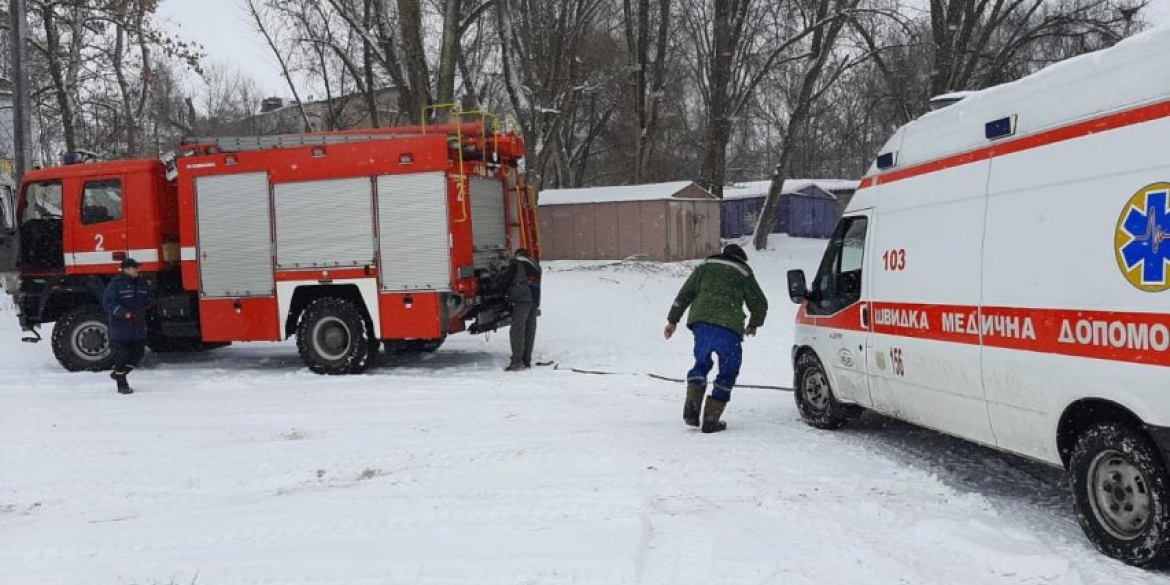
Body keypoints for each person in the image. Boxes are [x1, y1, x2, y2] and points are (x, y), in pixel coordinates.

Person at [665, 244, 768, 433]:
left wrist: (672, 320)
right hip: (729, 327)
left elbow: (684, 294)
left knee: (701, 363)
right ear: (741, 259)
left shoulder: (705, 267)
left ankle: (692, 408)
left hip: (701, 323)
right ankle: (711, 419)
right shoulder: (743, 272)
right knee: (728, 370)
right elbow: (760, 303)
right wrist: (754, 324)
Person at [103, 258, 152, 394]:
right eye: (134, 267)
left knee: (137, 354)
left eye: (137, 267)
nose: (137, 270)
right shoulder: (116, 284)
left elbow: (148, 299)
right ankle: (122, 384)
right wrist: (124, 313)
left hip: (138, 327)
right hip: (121, 327)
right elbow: (108, 303)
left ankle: (119, 373)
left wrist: (147, 305)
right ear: (126, 269)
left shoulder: (142, 284)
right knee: (122, 356)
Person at [502, 248, 542, 371]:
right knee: (530, 330)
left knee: (517, 331)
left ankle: (516, 362)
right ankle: (526, 360)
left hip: (522, 300)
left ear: (517, 255)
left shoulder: (516, 264)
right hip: (534, 300)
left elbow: (505, 281)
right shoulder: (535, 265)